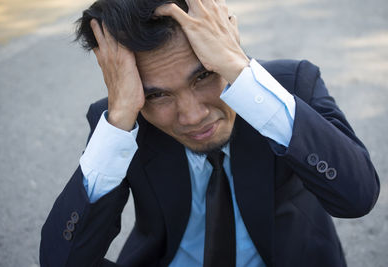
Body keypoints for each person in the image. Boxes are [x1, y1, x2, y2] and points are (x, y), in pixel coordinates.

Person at [40, 0, 380, 266]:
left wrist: (238, 70)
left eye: (204, 76)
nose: (192, 116)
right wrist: (118, 120)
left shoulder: (292, 87)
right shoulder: (123, 121)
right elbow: (62, 261)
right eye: (157, 95)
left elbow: (358, 196)